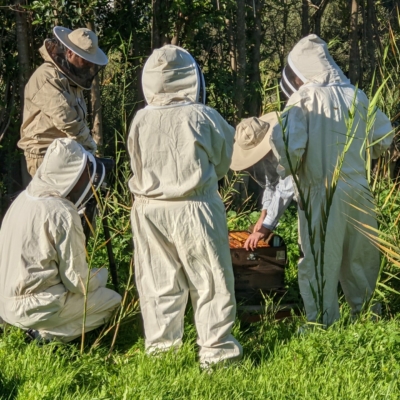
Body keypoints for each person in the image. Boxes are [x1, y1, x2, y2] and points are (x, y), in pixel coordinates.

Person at [127, 45, 242, 367]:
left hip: (149, 209)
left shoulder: (140, 119)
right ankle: (217, 355)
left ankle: (163, 354)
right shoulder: (202, 115)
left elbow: (136, 161)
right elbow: (227, 159)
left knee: (158, 282)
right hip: (195, 206)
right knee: (211, 282)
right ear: (191, 78)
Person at [270, 34, 393, 326]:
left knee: (318, 261)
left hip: (322, 192)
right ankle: (366, 321)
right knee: (360, 259)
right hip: (360, 191)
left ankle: (321, 324)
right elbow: (382, 140)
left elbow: (290, 149)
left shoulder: (305, 99)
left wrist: (286, 169)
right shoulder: (357, 95)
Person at [0, 138, 121, 342]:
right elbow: (78, 282)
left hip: (4, 303)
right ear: (72, 174)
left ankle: (26, 329)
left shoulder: (23, 199)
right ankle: (44, 336)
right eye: (85, 172)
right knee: (112, 301)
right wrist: (101, 276)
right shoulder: (62, 212)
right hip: (36, 306)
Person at [18, 27, 109, 177]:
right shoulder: (47, 76)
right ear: (70, 52)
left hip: (64, 151)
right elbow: (66, 118)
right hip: (44, 154)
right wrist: (90, 148)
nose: (90, 65)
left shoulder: (71, 79)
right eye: (85, 60)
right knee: (53, 200)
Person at [230, 112, 295, 251]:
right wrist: (263, 215)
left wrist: (265, 227)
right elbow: (270, 184)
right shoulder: (267, 156)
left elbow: (287, 186)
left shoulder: (284, 146)